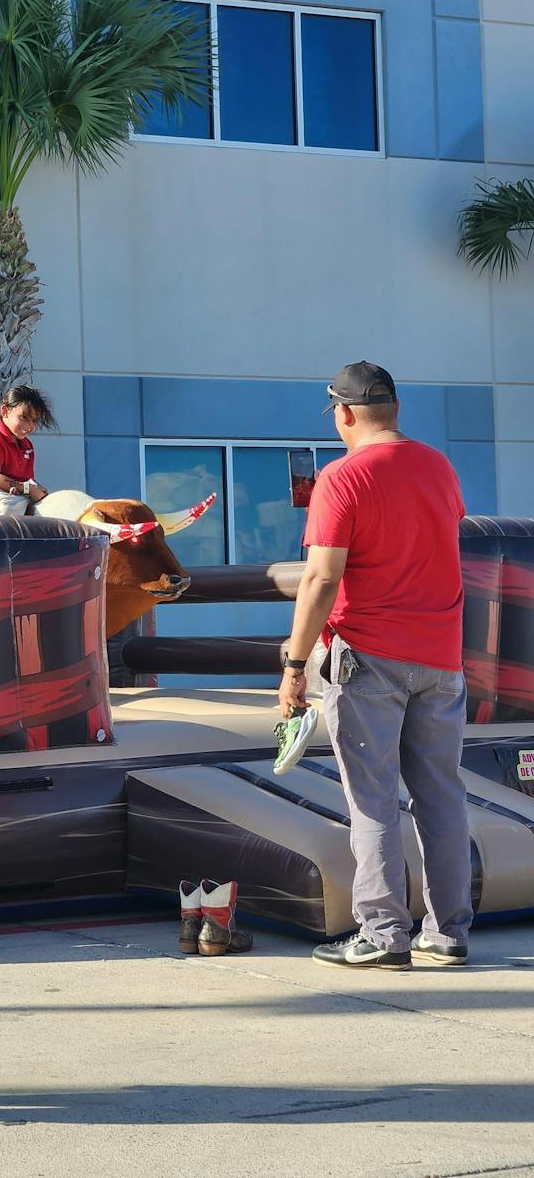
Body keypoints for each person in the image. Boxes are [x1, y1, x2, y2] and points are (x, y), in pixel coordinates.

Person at [278, 362, 472, 971]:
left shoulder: (342, 478)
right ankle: (446, 934)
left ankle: (384, 933)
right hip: (442, 656)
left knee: (373, 800)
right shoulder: (438, 467)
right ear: (394, 408)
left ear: (343, 413)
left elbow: (321, 577)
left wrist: (294, 665)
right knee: (442, 795)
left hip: (367, 657)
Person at [0, 384, 57, 516]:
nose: (29, 426)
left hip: (20, 494)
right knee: (8, 508)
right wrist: (29, 489)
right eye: (24, 417)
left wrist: (38, 490)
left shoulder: (27, 445)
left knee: (52, 507)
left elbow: (28, 480)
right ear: (5, 411)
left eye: (34, 420)